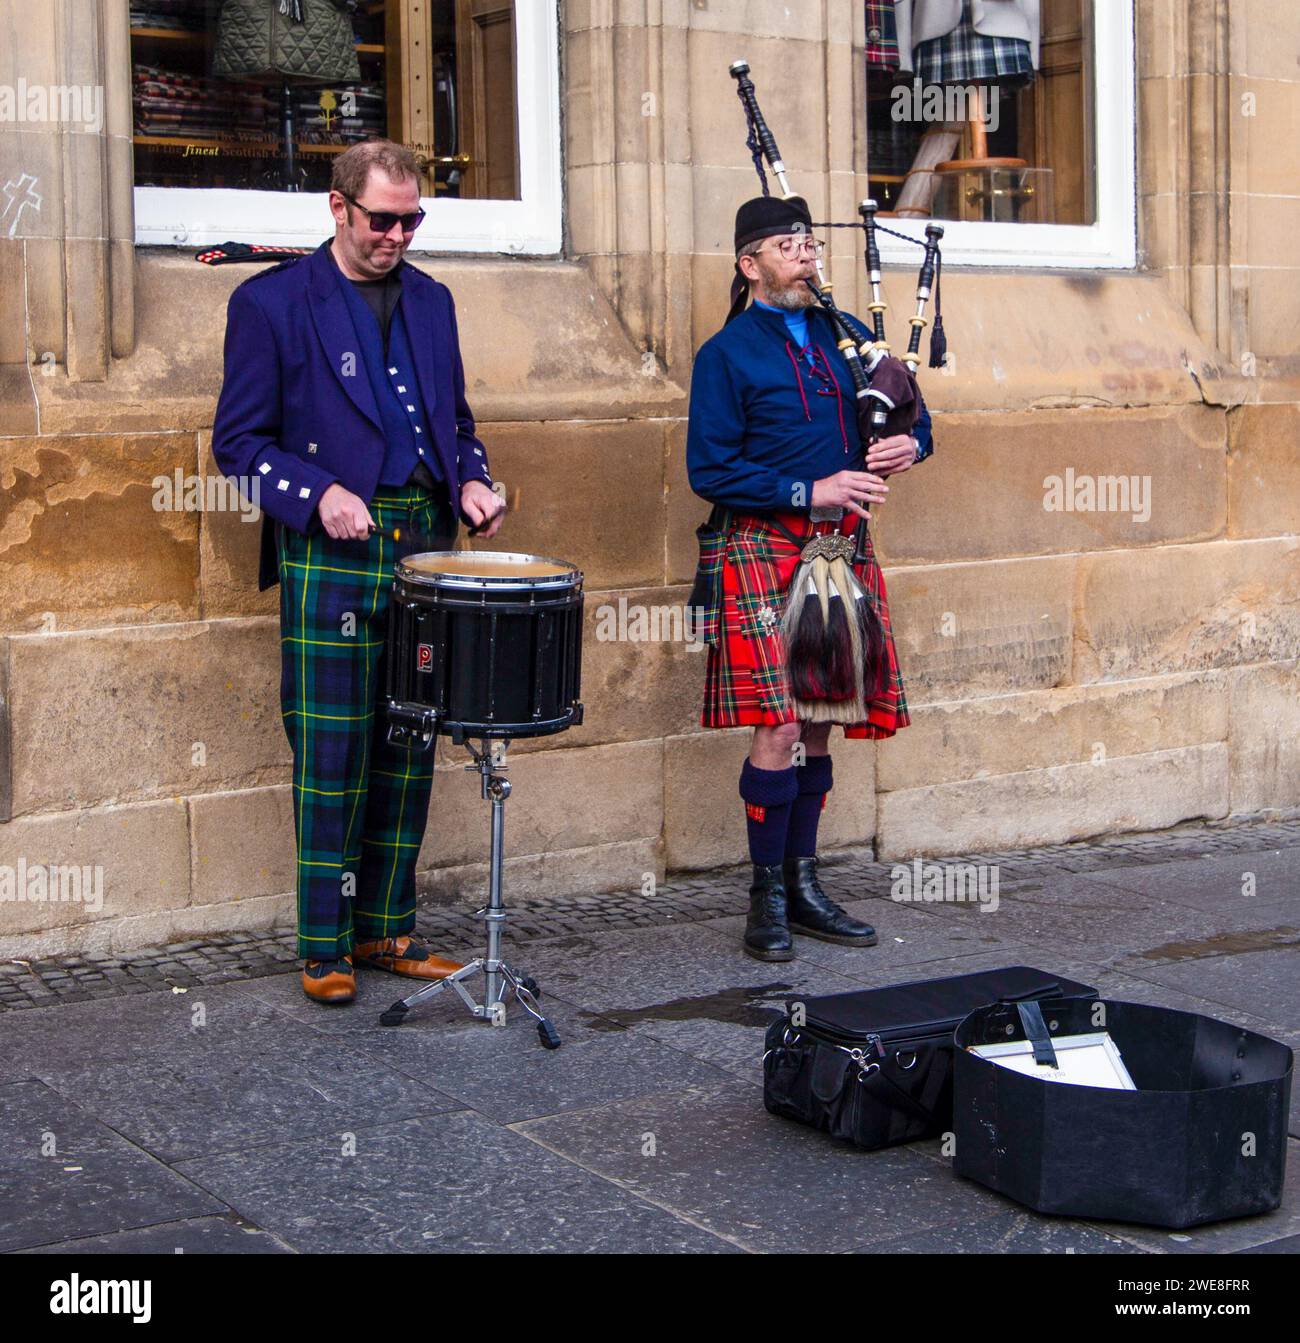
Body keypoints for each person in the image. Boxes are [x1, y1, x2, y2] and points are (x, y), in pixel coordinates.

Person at [212, 139, 505, 1003]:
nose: (398, 235)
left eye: (412, 219)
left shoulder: (434, 301)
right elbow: (238, 445)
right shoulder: (271, 303)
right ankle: (323, 944)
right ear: (338, 209)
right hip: (331, 547)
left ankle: (387, 928)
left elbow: (454, 420)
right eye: (382, 219)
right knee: (332, 749)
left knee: (409, 742)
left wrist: (475, 477)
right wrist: (317, 493)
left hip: (422, 540)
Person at [686, 195, 933, 962]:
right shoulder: (725, 355)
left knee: (822, 718)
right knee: (780, 724)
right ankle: (765, 895)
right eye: (785, 244)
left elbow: (914, 416)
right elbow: (709, 468)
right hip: (761, 543)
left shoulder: (850, 339)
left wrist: (909, 447)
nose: (804, 254)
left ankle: (804, 883)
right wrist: (812, 489)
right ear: (748, 263)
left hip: (839, 550)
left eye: (808, 241)